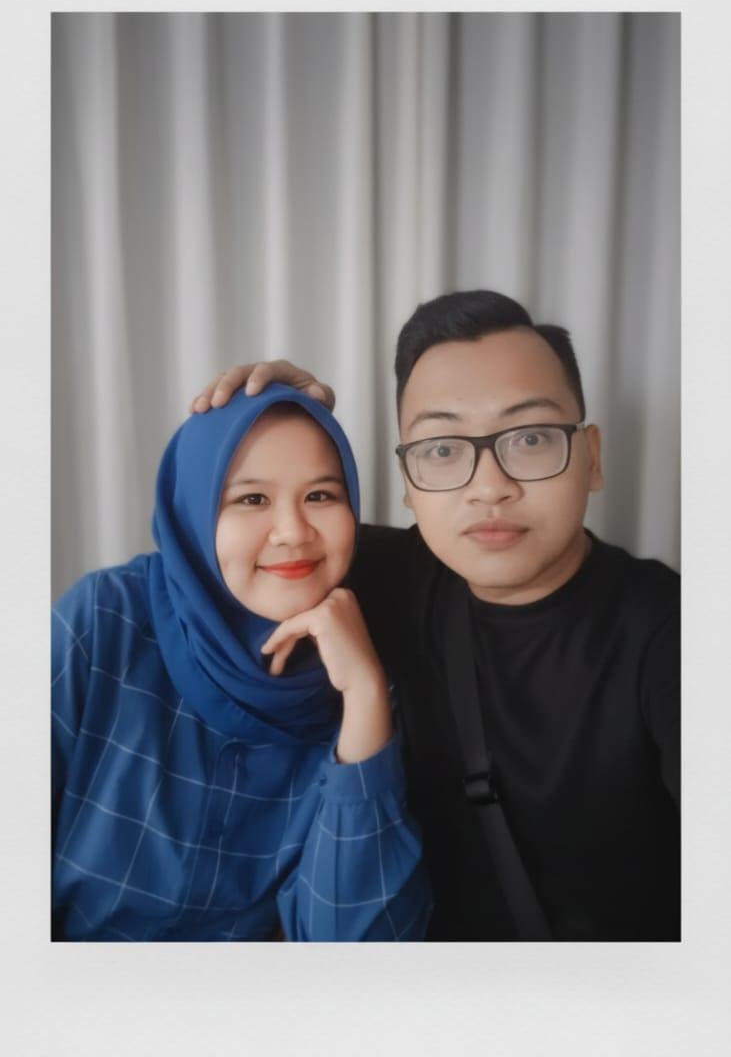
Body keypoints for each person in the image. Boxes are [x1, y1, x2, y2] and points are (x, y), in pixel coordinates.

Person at [191, 290, 680, 942]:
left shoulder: (674, 636)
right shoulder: (373, 574)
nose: (489, 486)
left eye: (530, 438)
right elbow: (225, 556)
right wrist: (277, 420)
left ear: (591, 457)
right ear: (406, 480)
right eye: (442, 449)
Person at [52, 384, 432, 941]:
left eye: (321, 495)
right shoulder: (104, 622)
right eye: (252, 499)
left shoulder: (361, 670)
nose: (293, 532)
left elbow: (354, 949)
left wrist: (365, 695)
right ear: (194, 511)